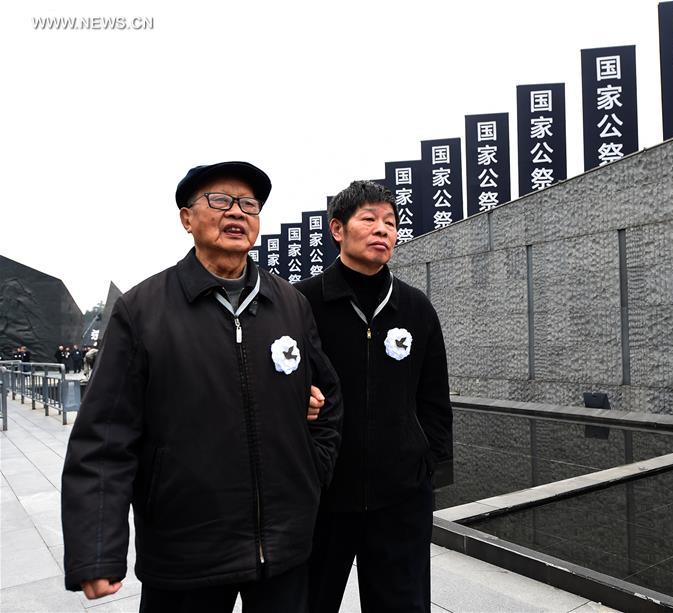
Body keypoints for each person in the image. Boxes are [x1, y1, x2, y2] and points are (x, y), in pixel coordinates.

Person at [62, 161, 343, 613]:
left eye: (249, 204)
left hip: (285, 549)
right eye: (220, 200)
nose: (237, 213)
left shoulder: (290, 303)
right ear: (186, 218)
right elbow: (104, 438)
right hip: (185, 554)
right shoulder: (142, 311)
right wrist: (96, 550)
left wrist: (311, 472)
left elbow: (327, 400)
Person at [295, 180, 452, 613]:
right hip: (322, 497)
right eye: (369, 219)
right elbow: (278, 388)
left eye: (391, 222)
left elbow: (435, 399)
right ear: (337, 229)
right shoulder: (301, 303)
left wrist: (426, 467)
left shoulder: (415, 308)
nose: (383, 229)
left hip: (399, 499)